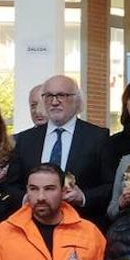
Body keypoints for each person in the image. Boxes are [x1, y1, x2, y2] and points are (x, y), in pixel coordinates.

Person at [9, 74, 114, 228]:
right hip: (32, 226)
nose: (54, 102)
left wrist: (83, 197)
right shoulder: (25, 140)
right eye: (49, 96)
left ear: (77, 100)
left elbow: (110, 186)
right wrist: (29, 197)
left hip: (80, 225)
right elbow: (10, 185)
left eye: (62, 96)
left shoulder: (97, 137)